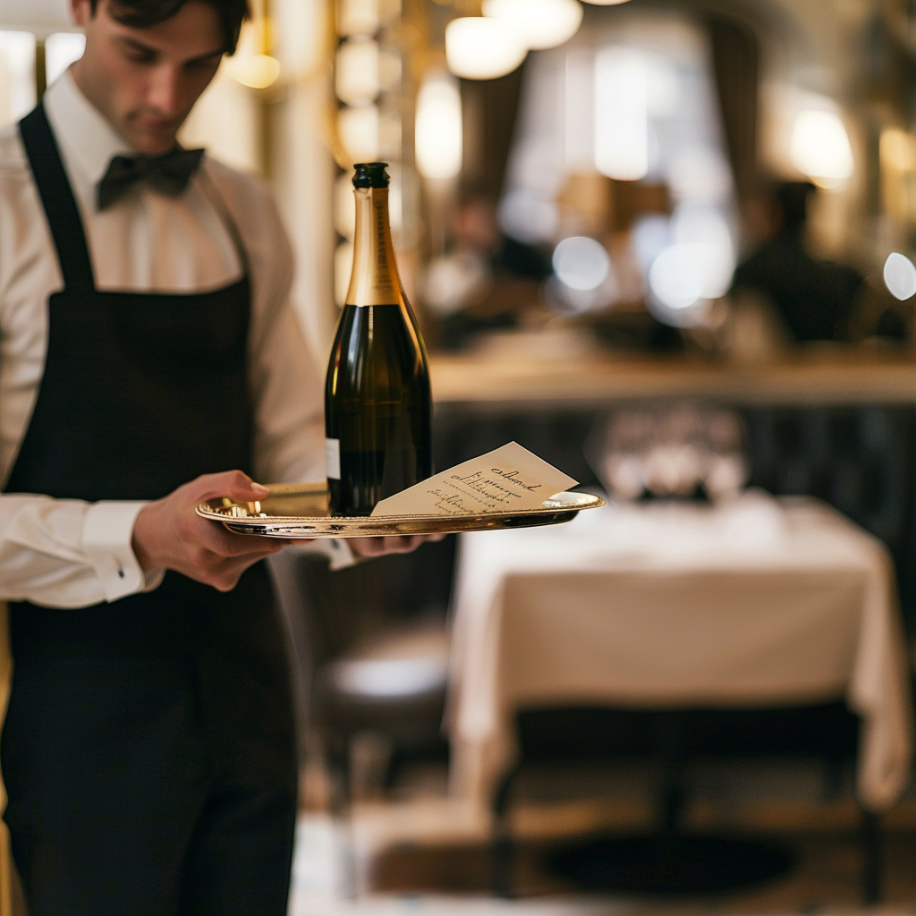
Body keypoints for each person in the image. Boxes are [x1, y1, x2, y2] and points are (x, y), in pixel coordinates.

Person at [0, 1, 431, 912]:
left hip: (248, 687)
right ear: (80, 8)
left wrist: (362, 518)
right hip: (83, 706)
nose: (166, 96)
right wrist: (142, 535)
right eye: (139, 54)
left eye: (200, 66)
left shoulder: (241, 204)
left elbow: (281, 446)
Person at [730, 180, 865, 343]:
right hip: (834, 366)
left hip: (770, 367)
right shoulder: (841, 277)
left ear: (776, 212)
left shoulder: (752, 271)